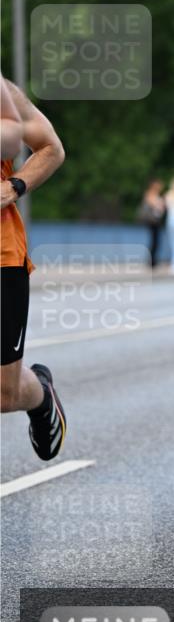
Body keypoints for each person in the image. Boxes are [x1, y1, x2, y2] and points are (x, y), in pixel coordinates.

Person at [0, 76, 67, 459]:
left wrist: (15, 186)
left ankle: (40, 396)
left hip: (2, 254)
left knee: (4, 393)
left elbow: (50, 148)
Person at [138, 179, 166, 268]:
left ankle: (153, 259)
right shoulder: (149, 194)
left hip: (156, 220)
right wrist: (160, 203)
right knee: (154, 241)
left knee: (156, 241)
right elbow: (155, 205)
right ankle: (151, 260)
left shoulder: (157, 195)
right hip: (151, 220)